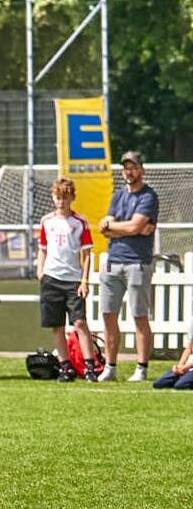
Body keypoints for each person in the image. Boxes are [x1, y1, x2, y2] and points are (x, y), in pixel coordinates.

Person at [99, 150, 160, 382]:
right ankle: (110, 366)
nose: (129, 171)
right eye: (125, 167)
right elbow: (105, 226)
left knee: (139, 316)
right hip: (113, 262)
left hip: (137, 263)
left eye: (133, 167)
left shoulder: (148, 196)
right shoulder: (117, 196)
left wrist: (116, 228)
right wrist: (119, 228)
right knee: (108, 315)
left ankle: (141, 368)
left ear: (141, 169)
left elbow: (136, 227)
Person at [36, 176, 95, 383]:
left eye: (65, 197)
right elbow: (42, 249)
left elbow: (87, 254)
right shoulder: (46, 221)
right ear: (53, 198)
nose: (62, 201)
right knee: (57, 325)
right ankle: (65, 367)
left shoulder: (79, 222)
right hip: (51, 278)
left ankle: (90, 366)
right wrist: (40, 272)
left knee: (79, 322)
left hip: (72, 280)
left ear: (72, 198)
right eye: (58, 197)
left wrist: (84, 280)